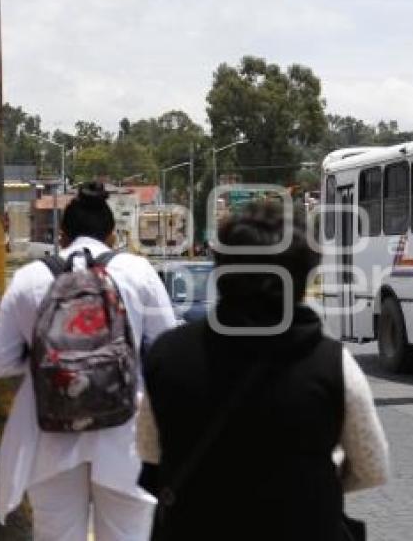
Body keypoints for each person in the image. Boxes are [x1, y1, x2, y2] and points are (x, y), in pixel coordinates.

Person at [137, 199, 389, 540]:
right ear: (302, 277)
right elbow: (371, 466)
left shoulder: (168, 354)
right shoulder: (332, 362)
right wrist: (312, 485)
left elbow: (149, 453)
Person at [0, 182, 177, 541]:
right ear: (112, 234)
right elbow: (167, 350)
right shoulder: (138, 273)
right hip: (127, 438)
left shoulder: (30, 278)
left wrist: (43, 361)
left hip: (49, 438)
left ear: (62, 234)